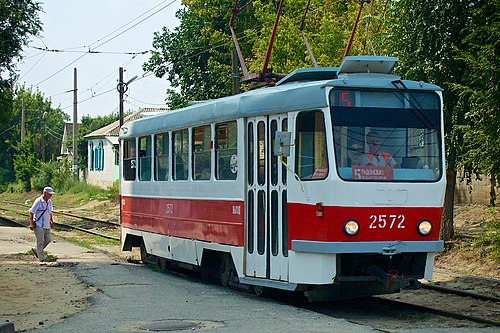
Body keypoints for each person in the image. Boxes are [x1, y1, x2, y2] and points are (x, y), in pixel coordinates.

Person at [28, 186, 55, 261]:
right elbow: (31, 212)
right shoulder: (38, 201)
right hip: (39, 224)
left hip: (46, 224)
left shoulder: (49, 201)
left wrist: (51, 221)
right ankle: (41, 258)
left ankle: (36, 250)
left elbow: (50, 212)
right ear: (45, 193)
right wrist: (31, 223)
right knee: (40, 241)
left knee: (48, 239)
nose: (51, 196)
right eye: (50, 194)